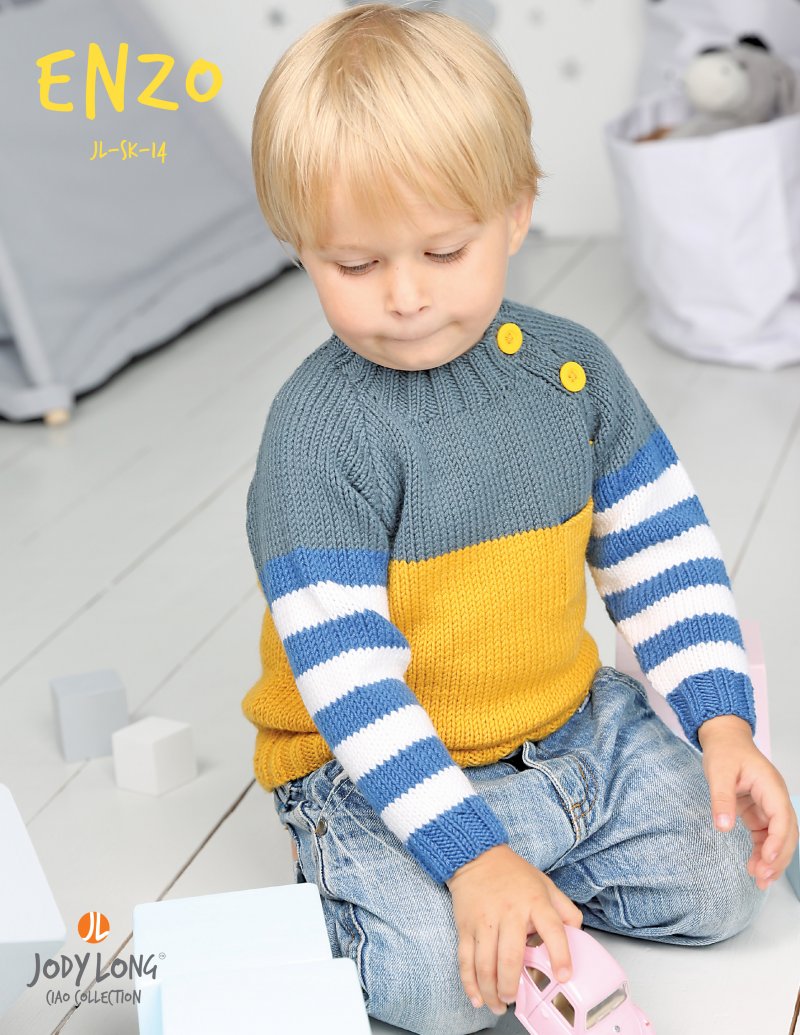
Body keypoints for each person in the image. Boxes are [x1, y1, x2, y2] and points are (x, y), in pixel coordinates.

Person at [243, 5, 798, 1033]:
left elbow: (661, 555)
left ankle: (529, 877)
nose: (405, 296)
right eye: (355, 265)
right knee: (433, 987)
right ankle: (443, 881)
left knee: (726, 878)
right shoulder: (318, 435)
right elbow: (352, 681)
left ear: (513, 213)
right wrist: (469, 855)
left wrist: (721, 721)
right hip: (373, 768)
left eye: (443, 250)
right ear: (301, 247)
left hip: (569, 731)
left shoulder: (572, 373)